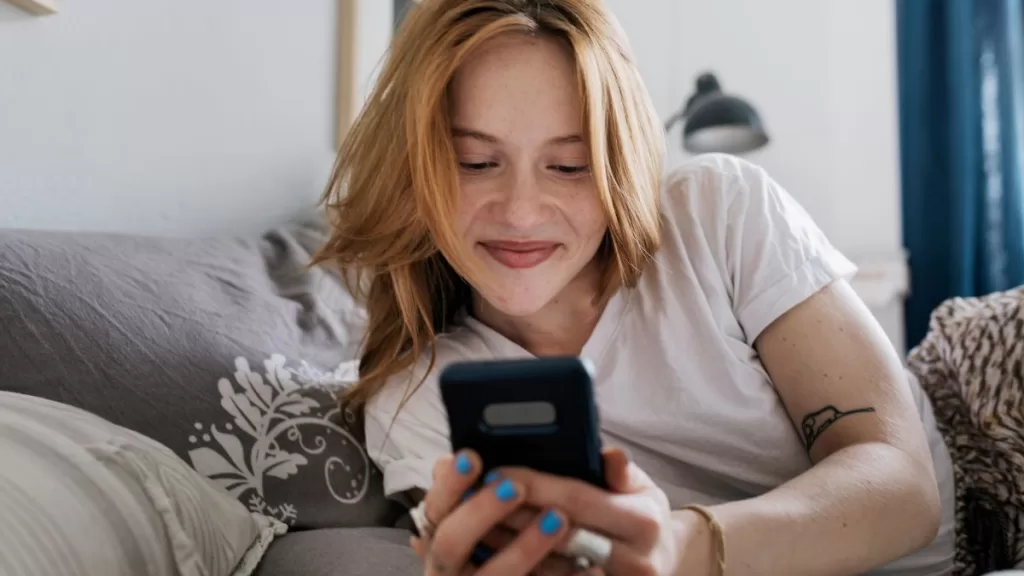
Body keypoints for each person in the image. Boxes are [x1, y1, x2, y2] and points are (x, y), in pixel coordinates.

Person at [313, 0, 956, 574]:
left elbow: (903, 486)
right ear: (415, 167)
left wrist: (683, 546)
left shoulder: (717, 211)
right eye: (476, 163)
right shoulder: (418, 396)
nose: (521, 211)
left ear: (617, 162)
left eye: (568, 166)